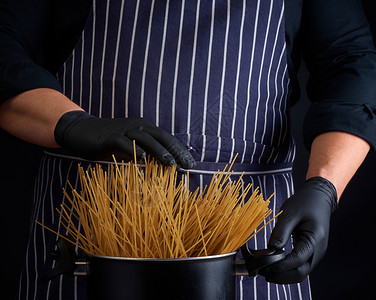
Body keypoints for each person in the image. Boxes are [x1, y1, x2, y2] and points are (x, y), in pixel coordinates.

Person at [1, 0, 376, 299]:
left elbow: (350, 64)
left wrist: (325, 187)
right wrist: (73, 124)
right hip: (88, 231)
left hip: (251, 237)